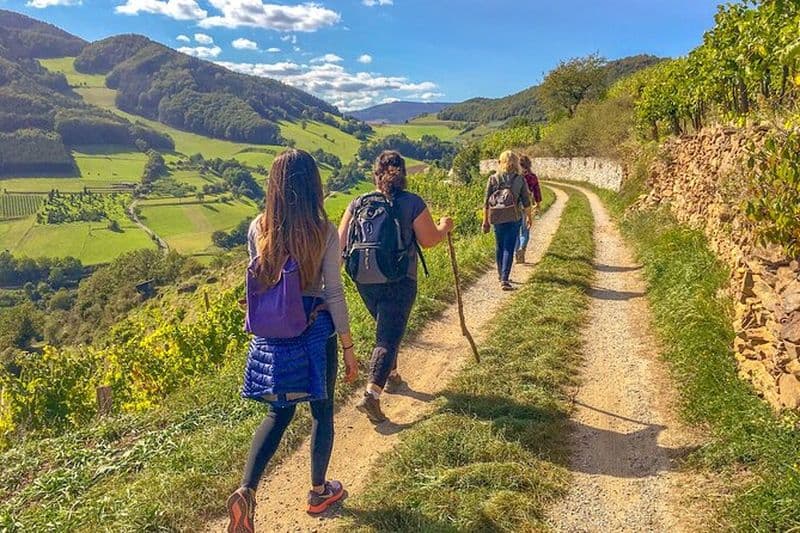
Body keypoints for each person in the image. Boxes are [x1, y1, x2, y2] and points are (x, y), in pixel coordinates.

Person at [226, 150, 359, 532]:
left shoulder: (258, 227)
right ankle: (318, 492)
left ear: (274, 187)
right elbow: (334, 292)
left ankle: (247, 490)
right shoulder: (323, 230)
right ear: (313, 184)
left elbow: (262, 279)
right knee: (322, 411)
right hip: (315, 330)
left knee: (278, 413)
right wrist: (348, 347)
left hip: (274, 334)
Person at [339, 150, 453, 423]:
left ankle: (391, 375)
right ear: (402, 174)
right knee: (387, 338)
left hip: (364, 279)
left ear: (375, 174)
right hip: (400, 279)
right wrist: (444, 227)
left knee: (387, 326)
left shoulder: (358, 203)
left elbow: (341, 245)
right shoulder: (411, 202)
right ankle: (372, 395)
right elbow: (428, 240)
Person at [482, 150, 532, 290]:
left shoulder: (493, 179)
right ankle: (504, 279)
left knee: (499, 246)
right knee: (509, 247)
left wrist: (485, 221)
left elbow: (486, 202)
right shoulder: (520, 179)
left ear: (500, 162)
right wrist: (529, 217)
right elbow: (526, 201)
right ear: (516, 163)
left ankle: (501, 275)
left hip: (497, 217)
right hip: (514, 217)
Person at [516, 155, 542, 264]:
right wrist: (538, 204)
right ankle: (522, 248)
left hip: (515, 206)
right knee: (525, 229)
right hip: (526, 205)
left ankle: (517, 251)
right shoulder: (532, 177)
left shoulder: (516, 177)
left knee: (516, 230)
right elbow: (537, 191)